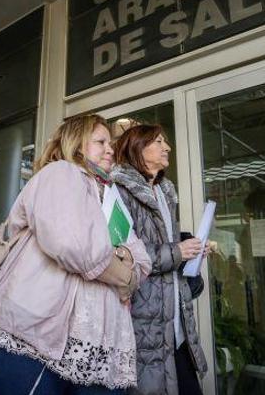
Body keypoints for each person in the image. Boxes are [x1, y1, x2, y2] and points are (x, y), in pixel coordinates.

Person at [0, 114, 152, 394]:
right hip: (31, 339)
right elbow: (74, 245)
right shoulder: (61, 173)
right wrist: (125, 273)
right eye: (101, 141)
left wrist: (118, 260)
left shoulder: (111, 195)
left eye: (111, 143)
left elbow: (143, 259)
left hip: (96, 348)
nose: (110, 149)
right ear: (77, 144)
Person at [111, 124, 208, 395]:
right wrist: (178, 251)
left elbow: (166, 245)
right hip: (144, 323)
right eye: (158, 142)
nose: (167, 147)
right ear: (138, 148)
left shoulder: (165, 192)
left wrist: (191, 251)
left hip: (176, 324)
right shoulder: (119, 191)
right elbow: (123, 256)